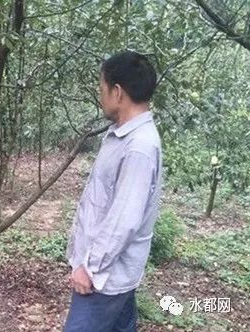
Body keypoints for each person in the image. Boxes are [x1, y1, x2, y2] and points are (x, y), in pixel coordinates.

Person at [64, 51, 162, 331]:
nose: (100, 97)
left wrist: (90, 267)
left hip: (103, 280)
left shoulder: (139, 147)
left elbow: (124, 219)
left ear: (117, 92)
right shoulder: (122, 135)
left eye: (101, 89)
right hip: (113, 276)